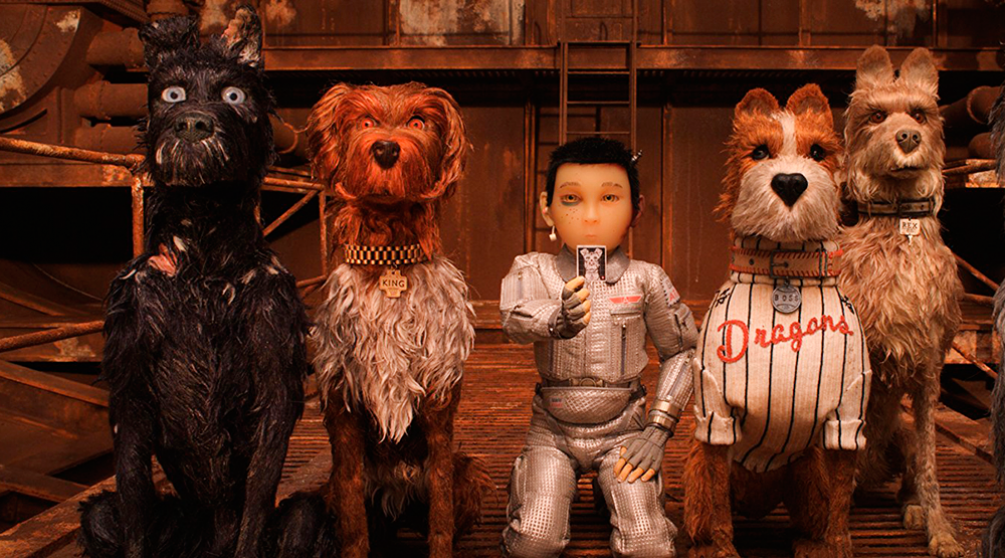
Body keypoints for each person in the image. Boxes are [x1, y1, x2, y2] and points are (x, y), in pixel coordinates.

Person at [499, 136, 698, 558]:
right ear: (547, 207)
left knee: (649, 546)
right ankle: (538, 491)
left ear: (636, 210)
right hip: (552, 430)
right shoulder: (532, 268)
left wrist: (657, 432)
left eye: (609, 198)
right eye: (571, 198)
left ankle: (619, 495)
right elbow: (513, 317)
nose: (590, 215)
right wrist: (556, 319)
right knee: (533, 541)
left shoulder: (647, 278)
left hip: (624, 430)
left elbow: (682, 351)